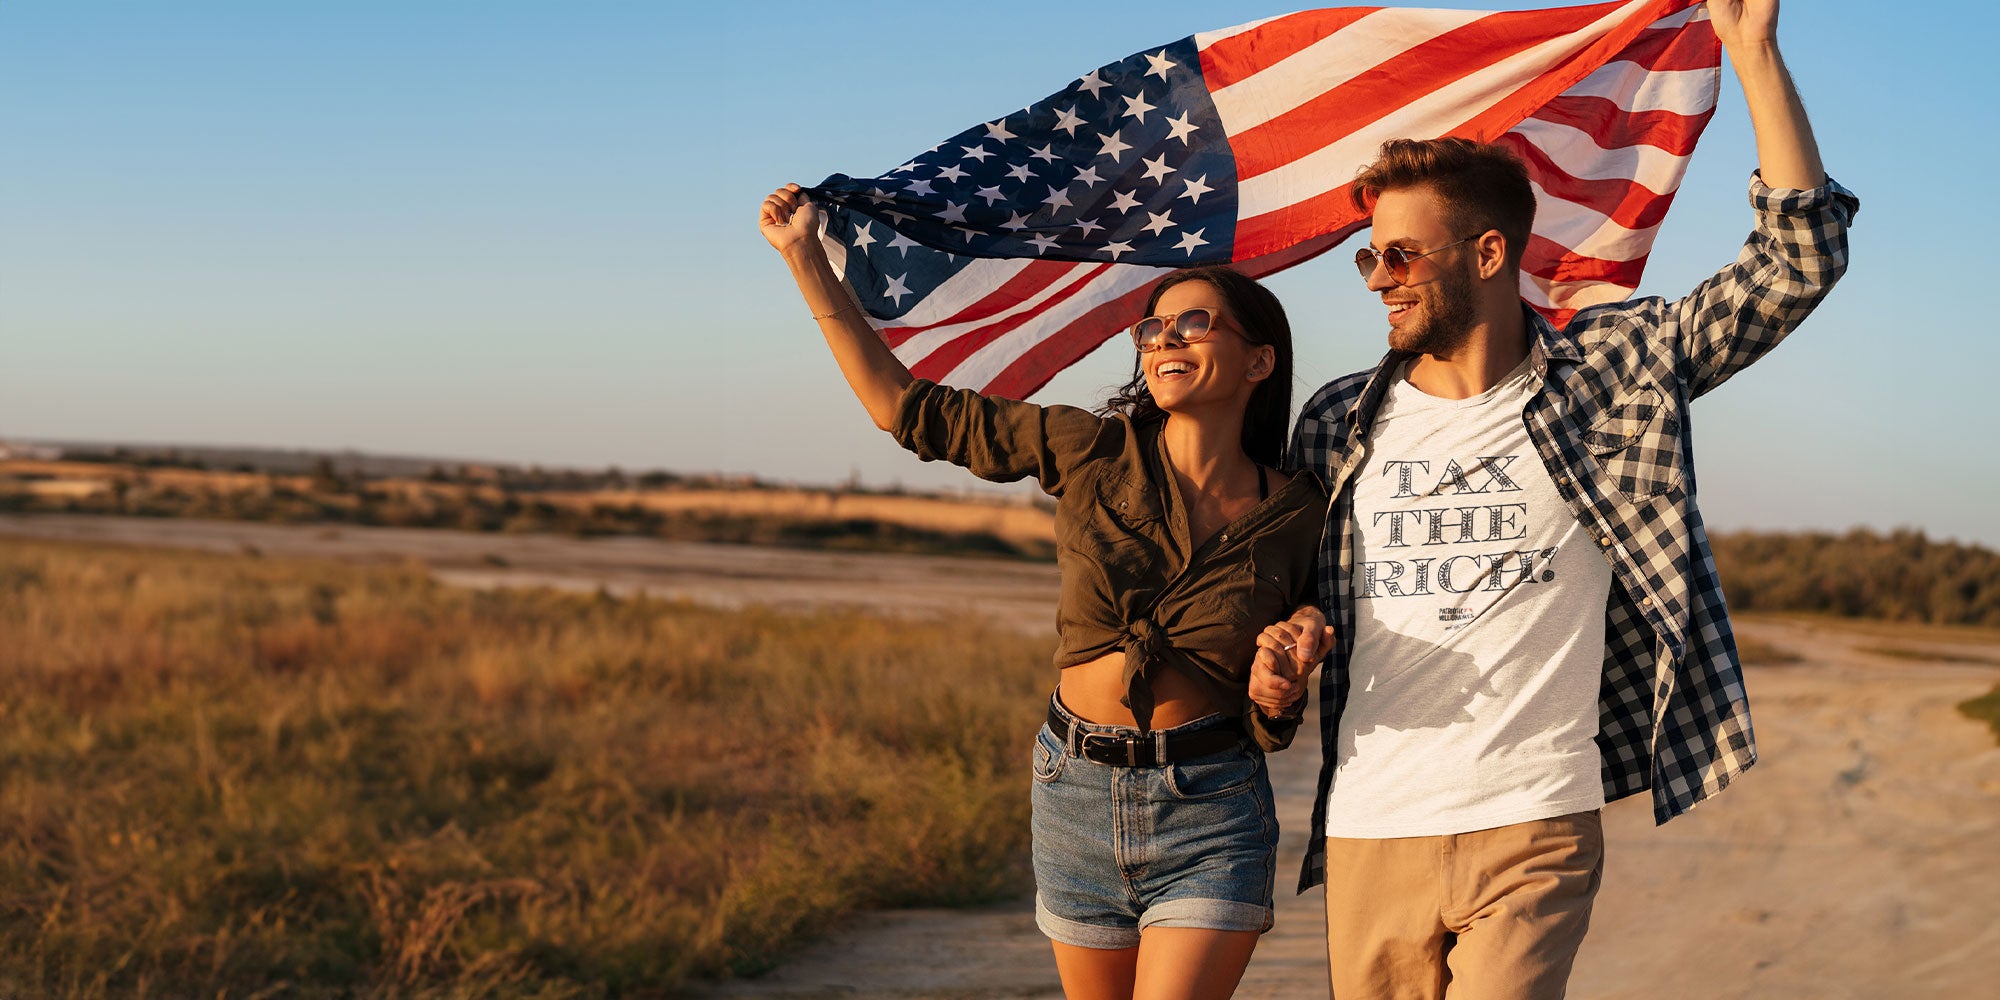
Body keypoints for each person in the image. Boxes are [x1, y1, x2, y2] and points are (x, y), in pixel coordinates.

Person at [1247, 0, 1858, 995]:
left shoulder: (1608, 371)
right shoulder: (1331, 423)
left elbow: (1793, 266)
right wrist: (1273, 683)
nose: (1376, 280)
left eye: (1399, 254)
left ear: (1487, 256)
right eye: (1369, 255)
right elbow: (1286, 615)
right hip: (1370, 822)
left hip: (1533, 816)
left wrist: (1748, 51)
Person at [760, 183, 1333, 999]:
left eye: (1195, 322)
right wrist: (804, 257)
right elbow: (905, 409)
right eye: (1153, 327)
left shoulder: (1299, 513)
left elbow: (1277, 716)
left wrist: (1278, 687)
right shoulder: (1092, 450)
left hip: (1211, 806)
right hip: (1075, 793)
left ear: (1259, 360)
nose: (1165, 337)